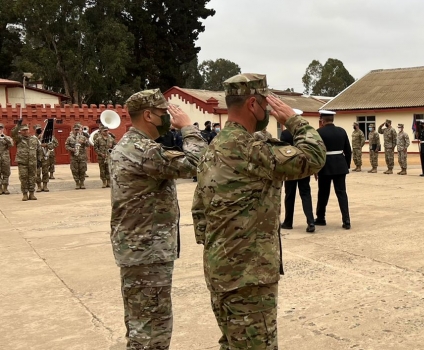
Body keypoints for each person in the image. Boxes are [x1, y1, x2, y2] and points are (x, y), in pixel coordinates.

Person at [193, 73, 325, 349]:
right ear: (253, 104)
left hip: (221, 270)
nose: (269, 110)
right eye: (266, 103)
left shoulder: (213, 146)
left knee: (232, 343)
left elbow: (200, 211)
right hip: (248, 277)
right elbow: (313, 157)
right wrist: (294, 120)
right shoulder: (251, 148)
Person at [109, 89, 204, 349]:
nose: (169, 118)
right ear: (148, 115)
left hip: (139, 250)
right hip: (147, 253)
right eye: (165, 113)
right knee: (152, 330)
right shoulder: (143, 150)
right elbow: (199, 162)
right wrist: (188, 128)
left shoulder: (129, 145)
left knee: (141, 324)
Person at [315, 110, 352, 229]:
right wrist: (346, 165)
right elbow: (348, 150)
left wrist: (316, 168)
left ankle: (321, 218)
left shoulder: (319, 132)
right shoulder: (341, 131)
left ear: (322, 120)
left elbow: (316, 151)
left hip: (325, 165)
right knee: (341, 193)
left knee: (323, 193)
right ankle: (346, 220)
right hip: (340, 165)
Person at [280, 125, 316, 233]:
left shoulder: (285, 134)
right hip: (304, 168)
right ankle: (311, 222)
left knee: (290, 195)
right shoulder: (305, 134)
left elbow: (283, 152)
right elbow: (311, 151)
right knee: (305, 194)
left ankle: (288, 222)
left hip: (290, 169)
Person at [12, 122, 43, 200]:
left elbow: (39, 150)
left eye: (26, 130)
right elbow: (13, 133)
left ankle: (32, 193)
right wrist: (18, 125)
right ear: (21, 131)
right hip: (22, 162)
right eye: (23, 130)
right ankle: (25, 194)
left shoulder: (34, 139)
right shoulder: (18, 139)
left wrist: (39, 159)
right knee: (23, 178)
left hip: (33, 162)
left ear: (29, 130)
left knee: (32, 178)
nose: (25, 131)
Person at [65, 124, 88, 189]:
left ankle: (82, 183)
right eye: (76, 130)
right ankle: (77, 183)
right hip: (74, 157)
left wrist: (84, 142)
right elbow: (66, 146)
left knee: (82, 170)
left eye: (78, 130)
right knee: (74, 170)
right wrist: (72, 149)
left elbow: (88, 145)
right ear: (73, 130)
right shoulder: (69, 138)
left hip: (82, 157)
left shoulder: (83, 137)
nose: (77, 131)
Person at [32, 124, 50, 192]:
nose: (39, 130)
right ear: (35, 130)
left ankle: (45, 186)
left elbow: (52, 145)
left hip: (44, 157)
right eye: (37, 129)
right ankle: (39, 186)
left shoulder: (46, 137)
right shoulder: (33, 138)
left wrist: (47, 145)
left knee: (45, 172)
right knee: (37, 173)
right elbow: (31, 147)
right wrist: (39, 143)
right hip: (36, 158)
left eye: (40, 129)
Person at [0, 123, 13, 195]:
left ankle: (5, 188)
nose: (0, 130)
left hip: (5, 158)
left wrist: (4, 137)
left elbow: (11, 144)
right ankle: (0, 188)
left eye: (1, 128)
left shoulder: (7, 137)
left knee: (6, 173)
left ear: (3, 129)